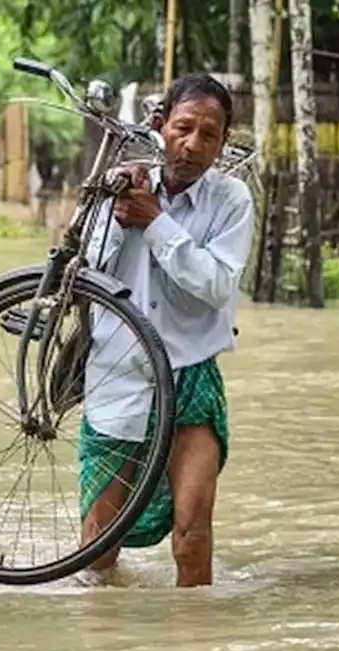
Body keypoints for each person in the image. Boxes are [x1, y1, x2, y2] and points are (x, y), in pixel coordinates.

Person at [77, 73, 254, 588]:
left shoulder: (231, 201)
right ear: (160, 126)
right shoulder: (121, 182)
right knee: (99, 544)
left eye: (209, 134)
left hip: (190, 375)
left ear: (222, 144)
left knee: (193, 534)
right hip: (119, 373)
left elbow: (218, 284)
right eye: (183, 128)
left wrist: (155, 222)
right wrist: (117, 211)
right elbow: (85, 271)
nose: (193, 145)